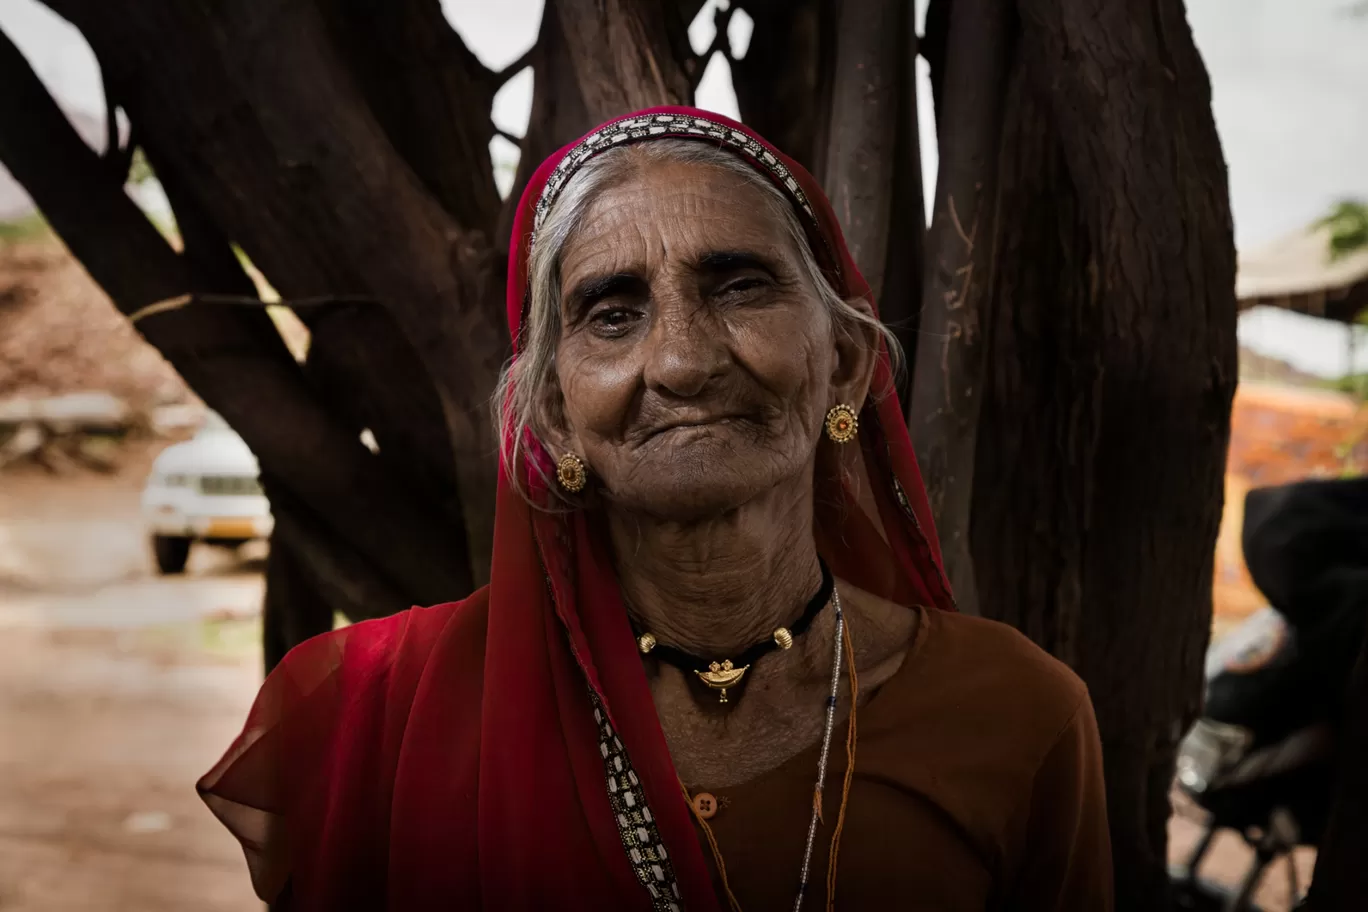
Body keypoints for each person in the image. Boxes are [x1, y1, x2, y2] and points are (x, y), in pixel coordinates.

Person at [199, 107, 1113, 911]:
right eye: (611, 312)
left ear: (844, 361)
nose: (681, 362)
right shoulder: (372, 715)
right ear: (553, 415)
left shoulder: (1018, 714)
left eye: (741, 286)